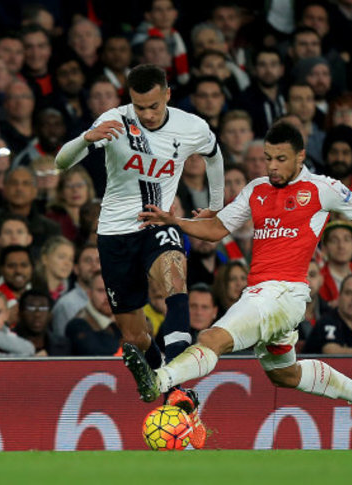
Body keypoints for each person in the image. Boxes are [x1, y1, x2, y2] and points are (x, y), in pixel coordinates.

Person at [123, 122, 352, 439]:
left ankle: (158, 381)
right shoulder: (256, 189)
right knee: (285, 374)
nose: (272, 166)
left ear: (300, 157)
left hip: (281, 294)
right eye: (268, 158)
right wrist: (175, 221)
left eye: (280, 159)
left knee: (213, 338)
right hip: (267, 298)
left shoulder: (323, 188)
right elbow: (216, 230)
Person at [54, 64, 225, 449]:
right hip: (114, 234)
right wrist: (86, 139)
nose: (145, 114)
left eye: (151, 105)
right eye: (138, 106)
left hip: (157, 220)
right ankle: (166, 389)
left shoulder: (190, 127)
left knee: (174, 273)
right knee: (135, 336)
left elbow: (214, 154)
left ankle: (176, 384)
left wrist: (214, 205)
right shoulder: (114, 121)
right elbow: (61, 163)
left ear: (167, 93)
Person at [65, 271, 121, 356]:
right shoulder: (78, 325)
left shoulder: (126, 319)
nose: (107, 296)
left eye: (112, 290)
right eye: (101, 291)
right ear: (89, 294)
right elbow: (98, 355)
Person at [16, 289, 71, 356]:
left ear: (50, 315)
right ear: (20, 314)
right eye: (31, 308)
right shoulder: (8, 343)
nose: (37, 314)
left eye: (43, 308)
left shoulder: (65, 346)